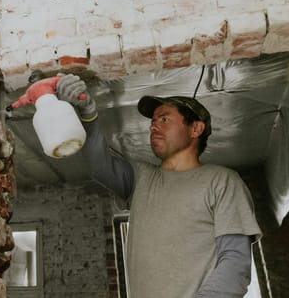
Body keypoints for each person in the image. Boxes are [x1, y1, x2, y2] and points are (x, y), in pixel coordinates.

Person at [56, 74, 262, 298]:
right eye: (153, 121)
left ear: (196, 129)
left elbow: (235, 263)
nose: (153, 126)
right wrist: (87, 112)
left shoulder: (222, 181)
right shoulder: (142, 177)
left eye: (164, 119)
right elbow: (99, 165)